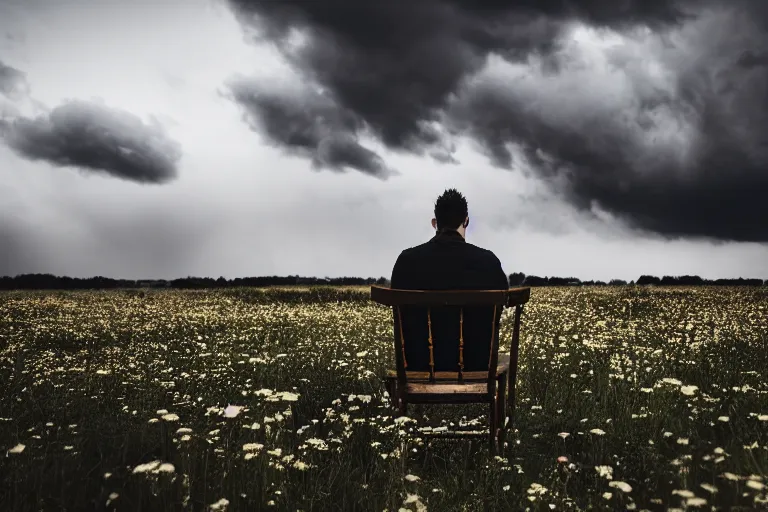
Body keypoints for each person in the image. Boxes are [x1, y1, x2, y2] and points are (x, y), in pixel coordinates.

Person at [390, 189, 509, 373]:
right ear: (466, 221)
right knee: (502, 357)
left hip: (419, 368)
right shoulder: (489, 262)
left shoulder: (406, 261)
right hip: (476, 368)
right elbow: (502, 305)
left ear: (434, 223)